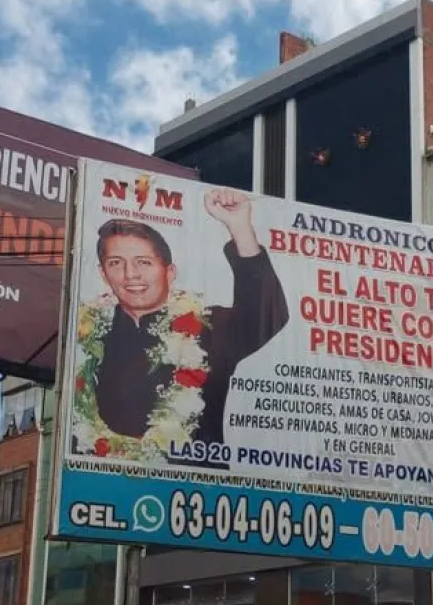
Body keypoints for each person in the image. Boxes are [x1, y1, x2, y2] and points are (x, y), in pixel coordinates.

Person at [90, 188, 289, 458]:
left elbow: (266, 315)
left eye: (144, 262)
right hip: (96, 478)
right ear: (103, 274)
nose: (130, 274)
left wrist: (240, 228)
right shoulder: (89, 333)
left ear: (169, 272)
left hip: (193, 480)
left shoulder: (207, 328)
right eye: (116, 263)